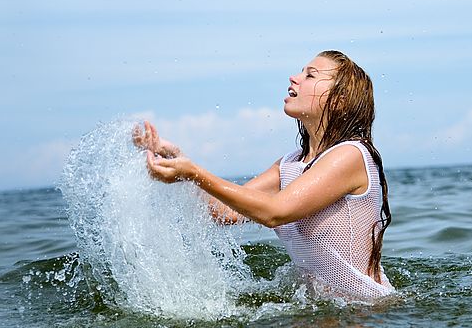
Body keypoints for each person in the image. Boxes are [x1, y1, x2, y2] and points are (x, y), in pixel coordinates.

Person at [133, 50, 393, 301]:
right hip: (323, 317)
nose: (295, 78)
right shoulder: (291, 163)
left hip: (365, 313)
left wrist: (194, 171)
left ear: (338, 101)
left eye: (310, 75)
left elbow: (275, 212)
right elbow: (224, 212)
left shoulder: (350, 155)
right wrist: (178, 162)